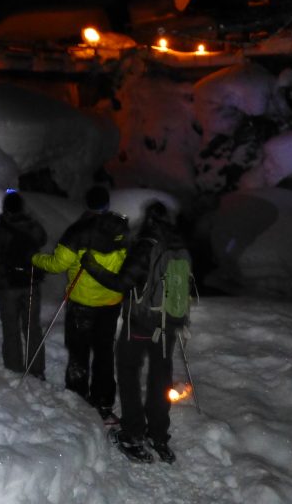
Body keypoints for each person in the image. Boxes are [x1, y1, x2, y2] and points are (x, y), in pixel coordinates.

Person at [81, 200, 186, 464]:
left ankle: (132, 434)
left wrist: (92, 266)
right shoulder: (178, 246)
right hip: (168, 324)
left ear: (149, 220)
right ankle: (159, 436)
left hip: (140, 323)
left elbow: (120, 283)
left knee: (128, 373)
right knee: (160, 379)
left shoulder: (146, 246)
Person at [31, 185, 128, 422]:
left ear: (87, 204)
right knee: (104, 352)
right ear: (107, 204)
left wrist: (35, 258)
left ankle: (77, 399)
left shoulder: (78, 231)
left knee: (79, 351)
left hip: (82, 302)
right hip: (111, 301)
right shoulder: (120, 230)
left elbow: (57, 264)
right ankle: (104, 401)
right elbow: (127, 262)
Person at [0, 191, 48, 379]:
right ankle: (36, 369)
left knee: (11, 327)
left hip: (8, 285)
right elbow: (43, 239)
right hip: (31, 282)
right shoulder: (33, 227)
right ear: (22, 207)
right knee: (32, 327)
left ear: (5, 209)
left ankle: (14, 367)